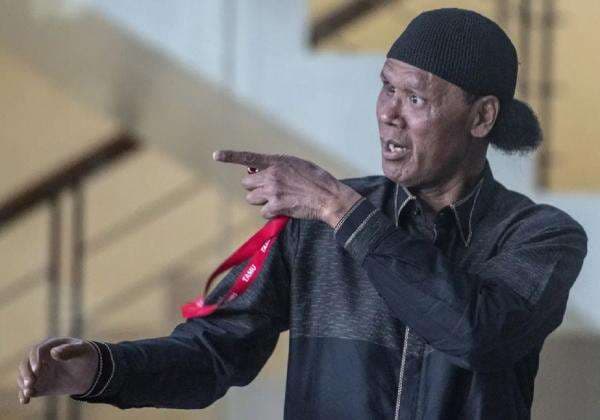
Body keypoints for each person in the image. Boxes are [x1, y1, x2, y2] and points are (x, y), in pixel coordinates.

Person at [17, 8, 587, 419]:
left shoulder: (541, 237)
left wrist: (339, 208)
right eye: (385, 88)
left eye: (415, 98)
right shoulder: (317, 226)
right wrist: (100, 369)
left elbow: (478, 335)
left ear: (481, 117)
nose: (387, 113)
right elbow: (215, 352)